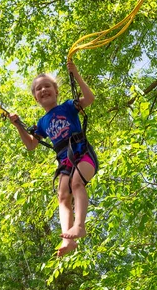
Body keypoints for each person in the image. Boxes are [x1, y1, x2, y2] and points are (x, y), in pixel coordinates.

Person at [9, 61, 96, 257]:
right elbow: (31, 145)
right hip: (65, 161)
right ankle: (68, 239)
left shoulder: (67, 106)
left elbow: (89, 98)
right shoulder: (42, 122)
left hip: (82, 153)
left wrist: (76, 74)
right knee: (63, 195)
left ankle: (79, 226)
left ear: (56, 91)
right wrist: (18, 126)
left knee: (76, 185)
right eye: (39, 89)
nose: (43, 90)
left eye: (47, 86)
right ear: (35, 98)